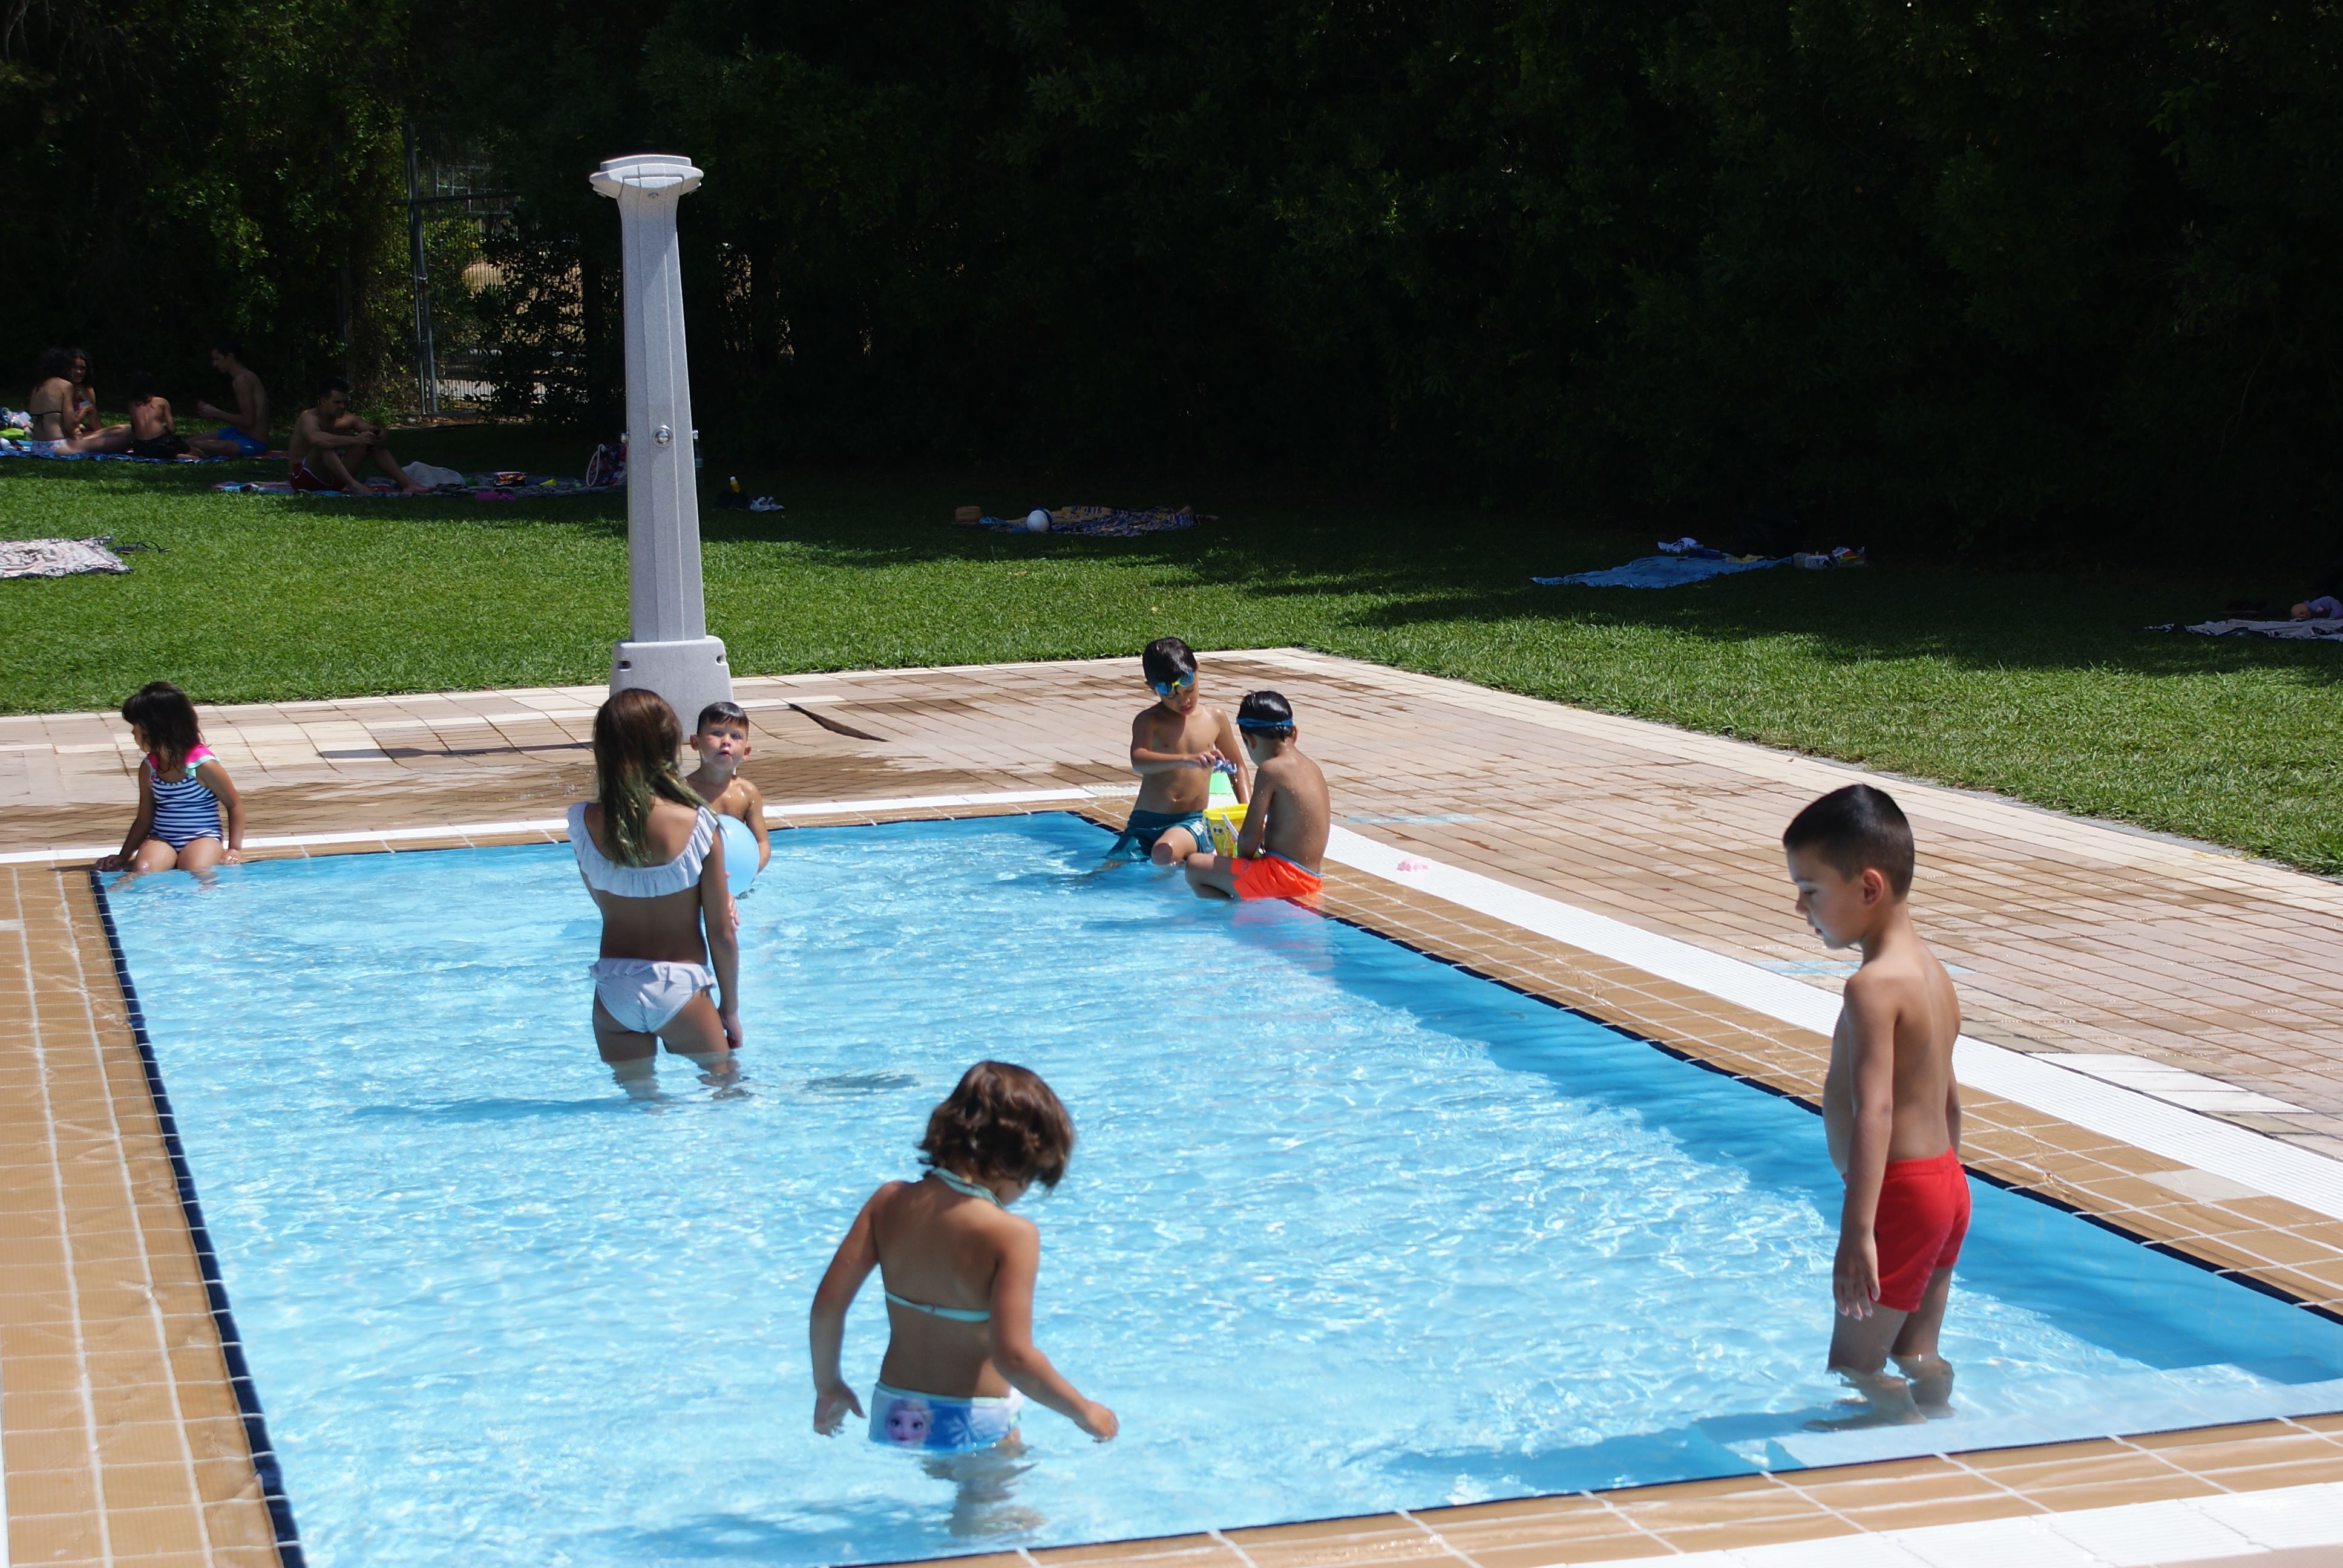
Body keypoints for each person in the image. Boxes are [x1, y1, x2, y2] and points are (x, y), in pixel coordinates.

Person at [810, 1060, 1117, 1456]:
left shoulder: (887, 1202)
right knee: (1009, 1518)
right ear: (1019, 1161)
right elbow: (1014, 1358)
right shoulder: (1012, 1235)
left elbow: (827, 1308)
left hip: (895, 1413)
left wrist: (828, 1385)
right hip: (975, 1420)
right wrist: (1083, 1411)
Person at [1783, 783, 1966, 1429]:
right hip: (1942, 1184)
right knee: (1916, 1350)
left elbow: (1875, 1113)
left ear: (1867, 888)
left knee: (1857, 1365)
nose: (1800, 907)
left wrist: (1856, 1231)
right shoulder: (1930, 971)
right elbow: (1947, 1095)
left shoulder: (1870, 987)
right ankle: (1939, 1421)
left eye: (1810, 891)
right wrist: (1950, 1189)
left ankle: (1895, 1441)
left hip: (1897, 1196)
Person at [568, 689, 742, 1097]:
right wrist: (729, 1009)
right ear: (668, 746)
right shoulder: (699, 824)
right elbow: (721, 934)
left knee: (641, 1109)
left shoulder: (584, 823)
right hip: (681, 988)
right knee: (727, 1094)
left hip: (613, 992)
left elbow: (606, 901)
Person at [1108, 636, 1248, 866]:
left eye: (1190, 690)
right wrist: (1185, 759)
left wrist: (1246, 813)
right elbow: (1138, 760)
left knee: (1164, 852)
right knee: (1109, 870)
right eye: (1171, 696)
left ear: (1198, 670)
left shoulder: (1215, 718)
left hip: (1191, 821)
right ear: (1152, 689)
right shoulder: (1149, 721)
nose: (1184, 701)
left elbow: (1238, 767)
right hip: (1144, 822)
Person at [1182, 690, 1329, 906]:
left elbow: (1249, 837)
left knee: (1195, 867)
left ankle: (1233, 916)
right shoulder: (1313, 768)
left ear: (1249, 740)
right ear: (1294, 733)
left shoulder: (1270, 770)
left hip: (1284, 878)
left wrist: (1239, 860)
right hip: (1312, 878)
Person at [96, 682, 245, 875]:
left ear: (156, 728)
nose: (133, 732)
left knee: (197, 871)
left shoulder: (202, 765)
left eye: (136, 726)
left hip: (203, 838)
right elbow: (144, 818)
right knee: (143, 870)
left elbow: (235, 805)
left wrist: (234, 849)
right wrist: (123, 856)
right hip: (162, 838)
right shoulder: (150, 768)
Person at [286, 377, 425, 495]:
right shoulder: (309, 417)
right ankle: (355, 486)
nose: (342, 407)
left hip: (335, 478)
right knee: (324, 445)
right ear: (323, 401)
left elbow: (378, 432)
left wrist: (379, 435)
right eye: (337, 403)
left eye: (345, 403)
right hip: (305, 478)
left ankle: (409, 484)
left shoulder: (347, 418)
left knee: (370, 442)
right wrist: (355, 440)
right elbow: (315, 438)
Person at [685, 700, 770, 876]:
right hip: (696, 879)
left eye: (736, 736)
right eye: (717, 733)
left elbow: (762, 843)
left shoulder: (747, 793)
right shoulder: (684, 791)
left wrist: (751, 869)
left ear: (746, 752)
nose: (726, 742)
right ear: (695, 743)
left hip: (739, 878)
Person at [24, 348, 130, 456]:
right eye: (72, 367)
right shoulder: (65, 386)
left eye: (82, 368)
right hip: (59, 445)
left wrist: (87, 402)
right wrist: (83, 412)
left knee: (123, 430)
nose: (78, 372)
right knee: (124, 440)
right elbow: (70, 426)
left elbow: (93, 428)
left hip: (37, 445)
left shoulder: (37, 388)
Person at [195, 341, 272, 457]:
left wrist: (216, 413)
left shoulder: (243, 380)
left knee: (198, 446)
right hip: (238, 433)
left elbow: (248, 422)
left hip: (253, 442)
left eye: (218, 359)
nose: (215, 364)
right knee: (188, 444)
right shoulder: (240, 379)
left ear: (230, 357)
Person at [123, 374, 194, 460]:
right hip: (162, 444)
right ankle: (178, 455)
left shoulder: (131, 405)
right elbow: (172, 429)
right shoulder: (161, 402)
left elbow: (134, 429)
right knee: (194, 450)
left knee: (158, 452)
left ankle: (173, 455)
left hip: (141, 448)